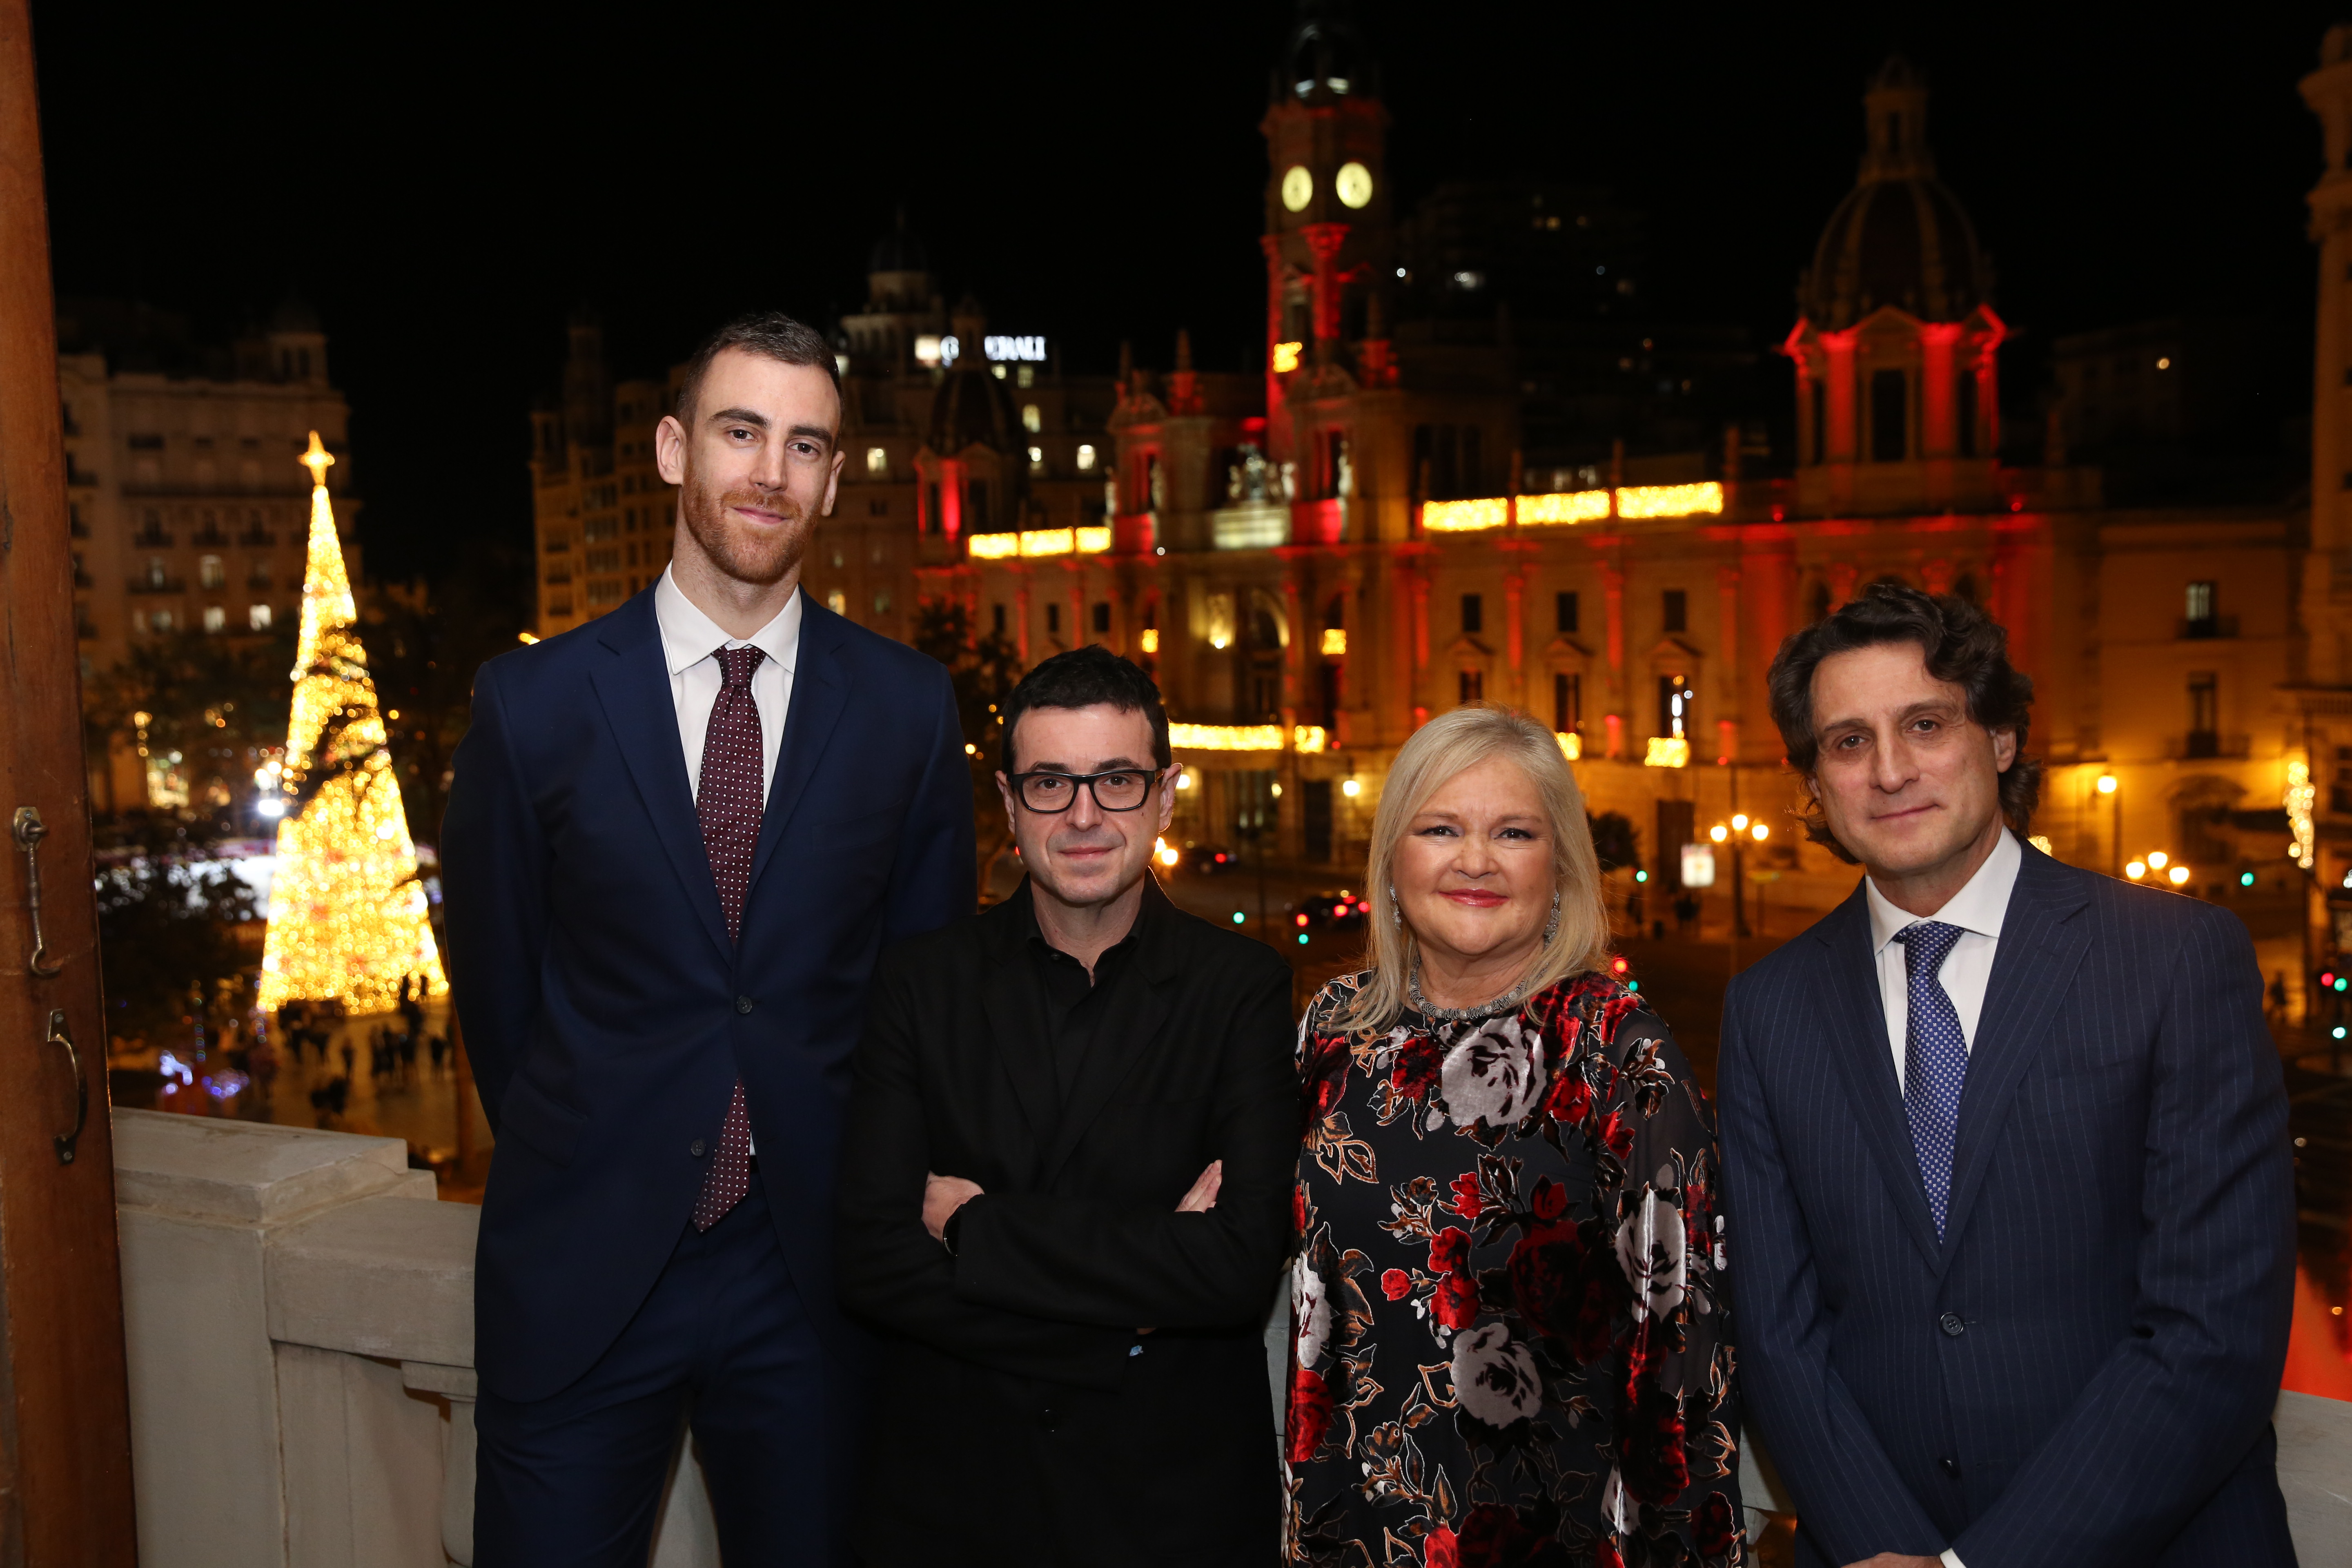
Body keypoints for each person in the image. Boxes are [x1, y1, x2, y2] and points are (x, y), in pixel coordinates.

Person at [442, 310, 973, 1566]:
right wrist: (597, 1160)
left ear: (837, 479)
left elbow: (925, 992)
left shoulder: (904, 709)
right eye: (742, 432)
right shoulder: (532, 704)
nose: (770, 472)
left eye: (806, 445)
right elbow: (499, 993)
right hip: (582, 1273)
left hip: (817, 1290)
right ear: (678, 448)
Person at [1718, 584, 2295, 1568]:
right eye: (1848, 743)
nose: (1891, 771)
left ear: (2001, 740)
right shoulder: (1767, 1008)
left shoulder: (2173, 958)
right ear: (1813, 783)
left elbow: (2212, 1330)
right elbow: (1779, 1333)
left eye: (1927, 724)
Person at [836, 646, 1295, 1568]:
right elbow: (874, 1259)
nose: (1084, 816)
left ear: (1165, 796)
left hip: (1172, 1510)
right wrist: (1123, 1321)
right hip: (958, 1505)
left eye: (1116, 781)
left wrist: (976, 1228)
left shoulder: (1243, 989)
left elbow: (1238, 1268)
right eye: (1051, 783)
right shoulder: (918, 985)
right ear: (1010, 806)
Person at [1288, 704, 1742, 1567]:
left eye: (1514, 833)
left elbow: (1681, 1373)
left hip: (1544, 1542)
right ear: (1392, 859)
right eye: (1442, 828)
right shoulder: (1334, 1028)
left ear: (1561, 866)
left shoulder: (1620, 1054)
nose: (1475, 861)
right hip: (1344, 1533)